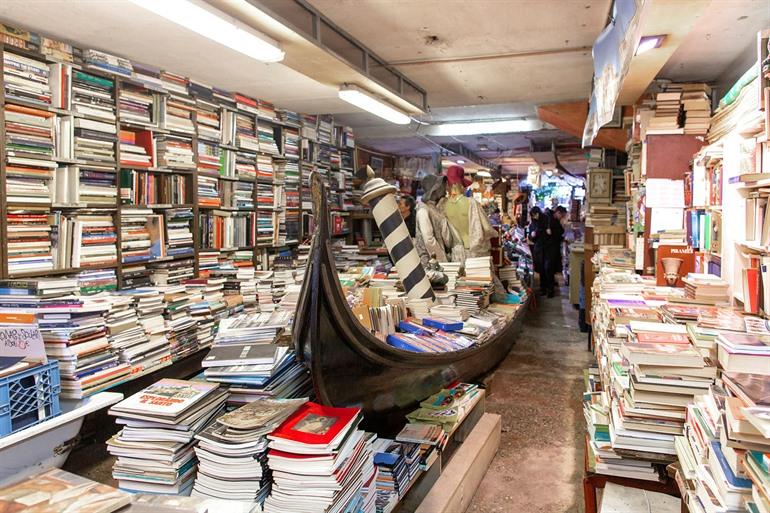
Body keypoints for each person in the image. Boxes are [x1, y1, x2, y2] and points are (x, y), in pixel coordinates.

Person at [438, 165, 496, 261]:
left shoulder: (442, 205)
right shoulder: (471, 203)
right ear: (461, 184)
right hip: (475, 252)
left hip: (456, 252)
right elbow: (486, 228)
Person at [415, 174, 454, 266]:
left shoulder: (433, 208)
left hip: (437, 259)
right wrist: (442, 260)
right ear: (435, 189)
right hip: (430, 261)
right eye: (441, 186)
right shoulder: (423, 210)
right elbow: (429, 240)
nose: (444, 189)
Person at [542, 205, 567, 298]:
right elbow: (555, 234)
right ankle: (549, 290)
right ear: (558, 213)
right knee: (549, 269)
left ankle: (549, 288)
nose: (562, 218)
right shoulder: (550, 220)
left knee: (550, 269)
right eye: (562, 215)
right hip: (550, 248)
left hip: (551, 248)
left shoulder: (553, 220)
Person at [527, 206, 547, 294]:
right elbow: (530, 237)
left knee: (545, 268)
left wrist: (536, 233)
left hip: (545, 248)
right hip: (538, 248)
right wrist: (532, 235)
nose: (535, 216)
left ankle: (545, 287)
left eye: (536, 214)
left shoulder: (545, 221)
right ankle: (543, 287)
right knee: (541, 268)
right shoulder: (533, 224)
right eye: (534, 215)